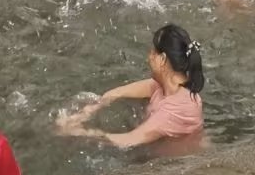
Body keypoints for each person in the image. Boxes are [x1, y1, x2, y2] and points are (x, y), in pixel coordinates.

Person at [56, 23, 204, 150]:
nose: (149, 57)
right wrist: (87, 111)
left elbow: (129, 140)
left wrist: (79, 133)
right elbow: (115, 93)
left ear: (162, 59)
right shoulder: (165, 87)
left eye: (153, 52)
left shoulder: (177, 109)